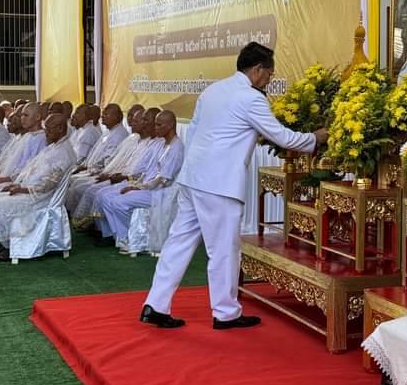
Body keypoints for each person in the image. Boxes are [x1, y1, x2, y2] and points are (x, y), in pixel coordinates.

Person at [141, 43, 327, 329]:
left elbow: (197, 131)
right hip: (219, 184)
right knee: (224, 250)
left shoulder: (213, 90)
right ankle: (226, 313)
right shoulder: (250, 98)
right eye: (269, 74)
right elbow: (284, 138)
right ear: (256, 70)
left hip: (193, 178)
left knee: (178, 242)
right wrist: (316, 137)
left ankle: (155, 304)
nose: (269, 80)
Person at [0, 114, 76, 262]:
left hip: (43, 198)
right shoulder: (54, 146)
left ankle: (9, 245)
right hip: (30, 190)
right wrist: (18, 184)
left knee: (0, 206)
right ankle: (3, 242)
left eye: (48, 130)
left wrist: (23, 190)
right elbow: (31, 169)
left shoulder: (63, 152)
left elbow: (49, 184)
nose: (46, 134)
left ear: (60, 128)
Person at [93, 110, 184, 255]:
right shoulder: (162, 144)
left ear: (171, 125)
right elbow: (147, 172)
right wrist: (135, 185)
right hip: (148, 187)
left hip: (161, 193)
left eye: (159, 124)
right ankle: (121, 236)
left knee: (119, 202)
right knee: (108, 198)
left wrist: (138, 187)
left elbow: (163, 180)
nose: (156, 127)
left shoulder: (176, 147)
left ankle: (128, 238)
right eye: (155, 124)